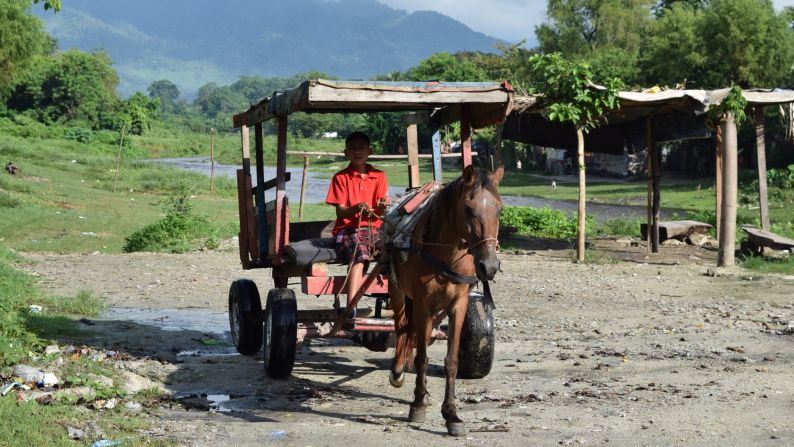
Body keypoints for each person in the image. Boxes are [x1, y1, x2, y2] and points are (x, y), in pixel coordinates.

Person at [326, 132, 389, 315]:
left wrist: (383, 206)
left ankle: (398, 302)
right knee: (360, 253)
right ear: (346, 152)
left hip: (375, 229)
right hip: (347, 231)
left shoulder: (379, 176)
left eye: (361, 147)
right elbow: (341, 212)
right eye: (352, 148)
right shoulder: (340, 178)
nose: (357, 151)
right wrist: (355, 209)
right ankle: (351, 306)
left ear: (369, 151)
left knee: (395, 251)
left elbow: (380, 211)